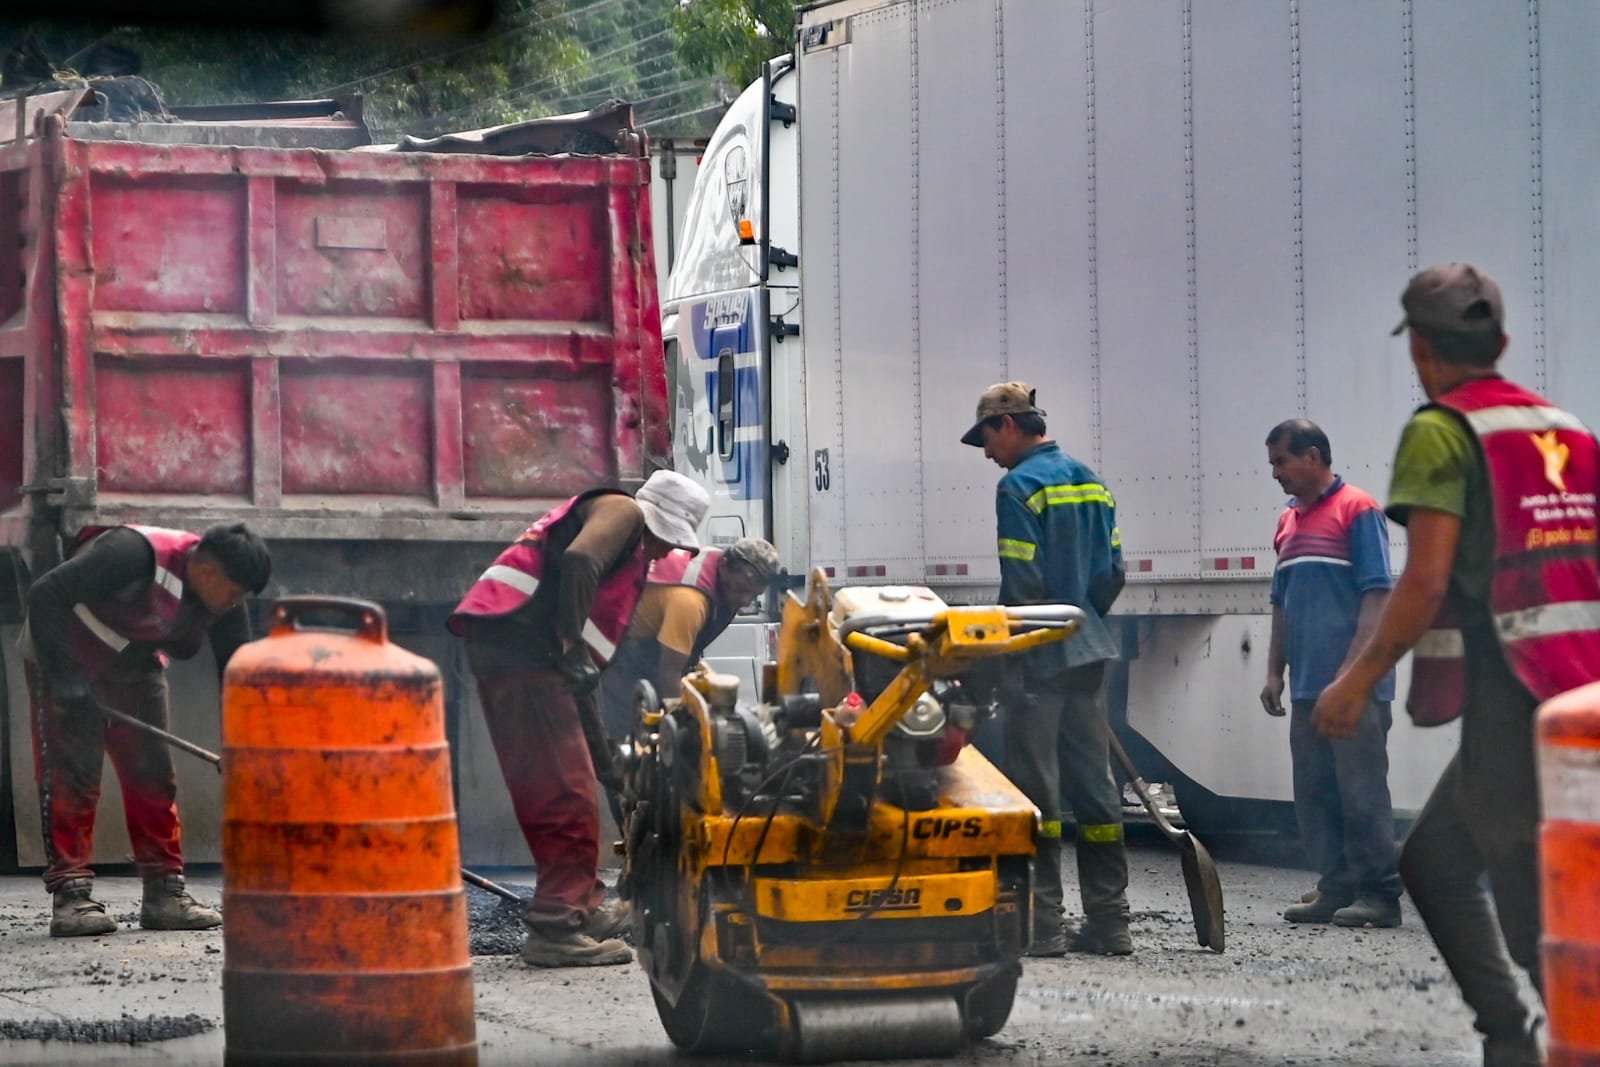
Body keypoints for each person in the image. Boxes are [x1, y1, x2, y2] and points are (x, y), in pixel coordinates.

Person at [1313, 263, 1600, 1067]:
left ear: (1421, 350)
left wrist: (1356, 679)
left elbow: (1426, 577)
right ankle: (1512, 1032)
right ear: (1501, 342)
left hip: (1521, 690)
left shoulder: (1443, 430)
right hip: (1582, 685)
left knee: (1518, 893)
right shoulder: (1567, 425)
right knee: (1447, 861)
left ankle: (1561, 1036)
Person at [447, 469, 710, 968]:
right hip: (524, 654)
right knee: (562, 793)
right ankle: (556, 929)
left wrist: (605, 758)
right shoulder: (624, 512)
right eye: (665, 542)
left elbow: (582, 676)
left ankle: (580, 908)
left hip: (528, 658)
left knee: (575, 785)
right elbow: (579, 559)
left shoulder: (625, 565)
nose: (662, 555)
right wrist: (570, 648)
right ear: (653, 521)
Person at [23, 522, 271, 937]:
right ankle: (71, 896)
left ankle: (164, 895)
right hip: (65, 654)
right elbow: (45, 595)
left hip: (135, 665)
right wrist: (67, 678)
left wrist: (243, 745)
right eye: (234, 593)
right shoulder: (130, 554)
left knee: (153, 778)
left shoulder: (224, 598)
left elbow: (237, 674)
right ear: (208, 573)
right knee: (74, 775)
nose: (235, 604)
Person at [962, 381, 1131, 957]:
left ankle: (1044, 924)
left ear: (1008, 424)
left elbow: (1022, 586)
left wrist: (1014, 654)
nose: (988, 454)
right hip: (1088, 648)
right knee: (1096, 790)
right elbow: (1112, 572)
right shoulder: (1091, 480)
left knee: (1036, 793)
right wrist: (1083, 619)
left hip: (1039, 655)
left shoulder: (1019, 487)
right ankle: (1111, 922)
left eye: (986, 438)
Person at [1261, 419, 1401, 928]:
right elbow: (1281, 603)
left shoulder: (1357, 510)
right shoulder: (1287, 521)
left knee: (1362, 793)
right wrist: (1274, 672)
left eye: (1282, 461)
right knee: (1315, 792)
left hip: (1354, 689)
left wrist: (1352, 675)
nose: (1275, 472)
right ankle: (1335, 887)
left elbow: (1376, 596)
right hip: (1306, 688)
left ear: (1313, 456)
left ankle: (1380, 896)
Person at [600, 537, 780, 743]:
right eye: (740, 589)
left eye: (753, 594)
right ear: (724, 566)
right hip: (624, 662)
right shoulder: (690, 603)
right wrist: (682, 731)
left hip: (654, 657)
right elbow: (669, 674)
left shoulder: (720, 571)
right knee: (624, 742)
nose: (745, 600)